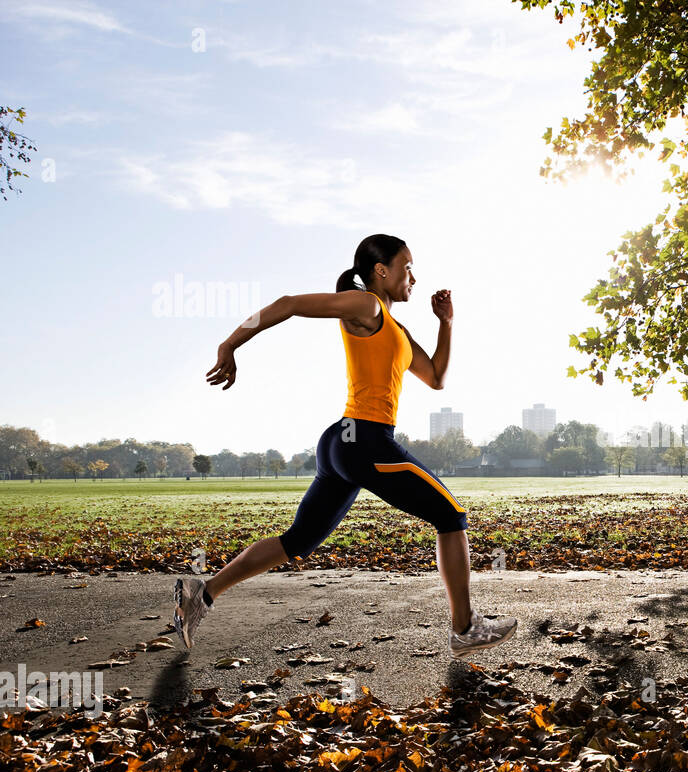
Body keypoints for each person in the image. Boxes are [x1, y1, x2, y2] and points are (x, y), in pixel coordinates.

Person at [173, 233, 516, 660]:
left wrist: (446, 322)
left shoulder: (398, 330)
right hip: (366, 441)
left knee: (297, 540)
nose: (413, 275)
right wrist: (230, 343)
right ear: (381, 271)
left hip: (343, 442)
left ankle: (200, 594)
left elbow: (436, 377)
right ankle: (464, 628)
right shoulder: (367, 305)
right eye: (407, 266)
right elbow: (288, 303)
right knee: (451, 515)